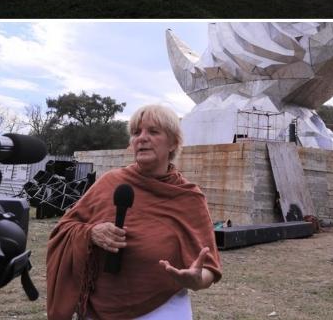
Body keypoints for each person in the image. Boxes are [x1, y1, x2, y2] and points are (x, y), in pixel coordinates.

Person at [46, 104, 222, 320]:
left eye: (153, 131)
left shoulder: (188, 197)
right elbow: (64, 229)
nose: (142, 138)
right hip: (99, 311)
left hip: (163, 310)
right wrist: (91, 233)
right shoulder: (109, 182)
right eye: (136, 132)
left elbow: (209, 267)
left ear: (173, 142)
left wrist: (197, 280)